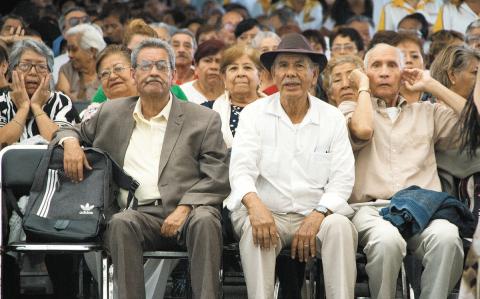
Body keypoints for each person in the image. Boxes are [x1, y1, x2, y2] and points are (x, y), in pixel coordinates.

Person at [55, 38, 230, 299]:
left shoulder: (202, 119)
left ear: (172, 75)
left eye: (161, 66)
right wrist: (70, 144)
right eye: (146, 66)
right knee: (121, 223)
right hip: (138, 214)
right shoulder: (110, 113)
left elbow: (217, 174)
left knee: (206, 221)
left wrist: (185, 208)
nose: (154, 72)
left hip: (190, 211)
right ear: (134, 75)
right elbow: (69, 129)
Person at [228, 33, 357, 299]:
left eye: (299, 65)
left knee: (340, 228)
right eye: (283, 66)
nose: (291, 73)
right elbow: (241, 170)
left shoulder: (331, 117)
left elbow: (343, 179)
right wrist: (255, 205)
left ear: (314, 74)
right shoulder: (253, 113)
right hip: (267, 211)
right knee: (255, 229)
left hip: (315, 214)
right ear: (272, 75)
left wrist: (318, 214)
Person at [338, 43, 468, 299]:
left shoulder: (427, 112)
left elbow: (473, 124)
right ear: (364, 73)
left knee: (448, 237)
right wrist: (362, 87)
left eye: (392, 65)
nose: (384, 72)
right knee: (387, 241)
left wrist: (431, 85)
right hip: (371, 210)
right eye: (376, 66)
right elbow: (362, 130)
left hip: (423, 210)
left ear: (403, 73)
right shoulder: (350, 110)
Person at [0, 39, 79, 147]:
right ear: (12, 70)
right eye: (25, 65)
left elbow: (63, 143)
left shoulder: (61, 101)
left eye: (41, 67)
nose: (33, 72)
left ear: (49, 74)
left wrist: (36, 107)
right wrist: (23, 108)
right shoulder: (2, 101)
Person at [202, 45, 263, 147]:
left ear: (260, 76)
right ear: (224, 77)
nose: (240, 73)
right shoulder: (207, 111)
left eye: (247, 67)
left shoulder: (276, 109)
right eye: (233, 68)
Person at [81, 45, 137, 121]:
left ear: (135, 71)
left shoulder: (151, 107)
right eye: (105, 74)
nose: (112, 76)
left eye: (118, 68)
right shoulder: (94, 115)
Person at [56, 23, 106, 102]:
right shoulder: (67, 69)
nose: (69, 55)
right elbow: (64, 100)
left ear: (92, 51)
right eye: (68, 50)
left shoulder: (107, 69)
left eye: (74, 49)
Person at [180, 39, 225, 104]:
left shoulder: (233, 94)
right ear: (196, 65)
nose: (213, 67)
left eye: (219, 61)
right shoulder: (181, 94)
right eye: (207, 61)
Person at [395, 33, 426, 103]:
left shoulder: (436, 96)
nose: (408, 60)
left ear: (424, 64)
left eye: (414, 56)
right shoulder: (384, 96)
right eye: (402, 57)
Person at [377, 0, 442, 31]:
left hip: (433, 54)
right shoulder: (389, 8)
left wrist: (432, 32)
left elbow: (446, 36)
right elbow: (383, 39)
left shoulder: (438, 4)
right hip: (400, 54)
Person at [251, 31, 281, 95]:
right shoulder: (250, 78)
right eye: (265, 50)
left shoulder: (287, 77)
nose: (271, 53)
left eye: (275, 49)